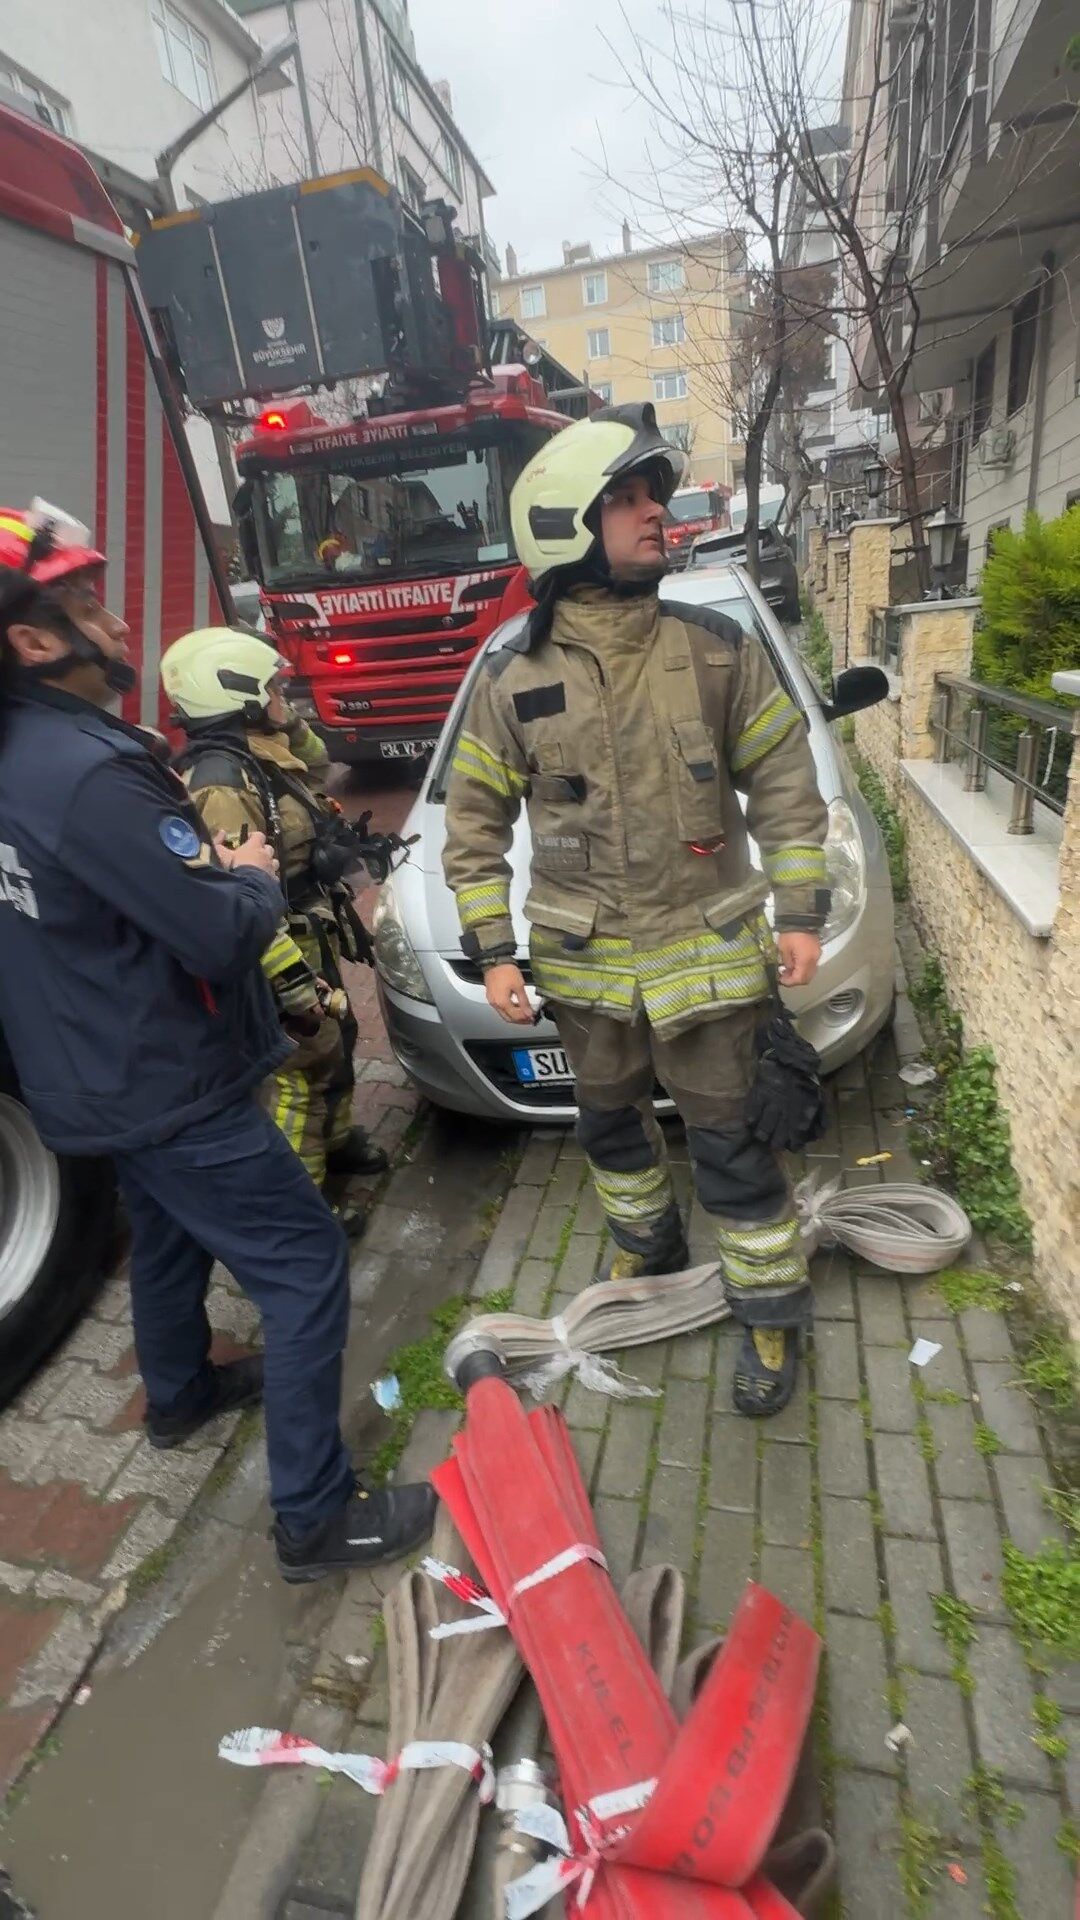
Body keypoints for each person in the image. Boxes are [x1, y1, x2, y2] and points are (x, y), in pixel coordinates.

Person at [0, 503, 434, 1579]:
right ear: (32, 640)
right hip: (167, 1078)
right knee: (305, 1263)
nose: (113, 620)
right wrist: (245, 875)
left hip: (96, 1072)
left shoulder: (22, 756)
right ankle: (314, 1517)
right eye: (85, 601)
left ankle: (181, 1394)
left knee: (167, 1233)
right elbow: (215, 934)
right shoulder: (90, 773)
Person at [442, 406, 829, 1417]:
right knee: (610, 1132)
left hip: (707, 963)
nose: (656, 510)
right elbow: (472, 826)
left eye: (652, 494)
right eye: (627, 497)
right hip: (586, 974)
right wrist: (494, 952)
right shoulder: (512, 677)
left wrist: (801, 911)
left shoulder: (715, 650)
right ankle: (648, 1248)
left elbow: (786, 783)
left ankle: (770, 1310)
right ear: (567, 525)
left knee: (734, 1146)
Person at [160, 627, 387, 1230]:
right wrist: (289, 982)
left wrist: (282, 720)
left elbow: (318, 762)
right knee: (297, 1071)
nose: (286, 698)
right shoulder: (221, 784)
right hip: (277, 943)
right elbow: (233, 895)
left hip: (309, 927)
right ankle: (302, 1207)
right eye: (274, 689)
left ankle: (336, 1143)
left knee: (337, 1039)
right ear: (238, 698)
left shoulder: (263, 754)